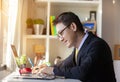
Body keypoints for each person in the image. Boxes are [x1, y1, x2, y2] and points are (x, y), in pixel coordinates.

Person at [33, 12, 116, 82]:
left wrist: (53, 71)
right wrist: (47, 67)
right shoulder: (79, 48)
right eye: (58, 36)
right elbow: (65, 64)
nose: (60, 39)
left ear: (73, 26)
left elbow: (82, 72)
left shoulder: (97, 45)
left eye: (61, 33)